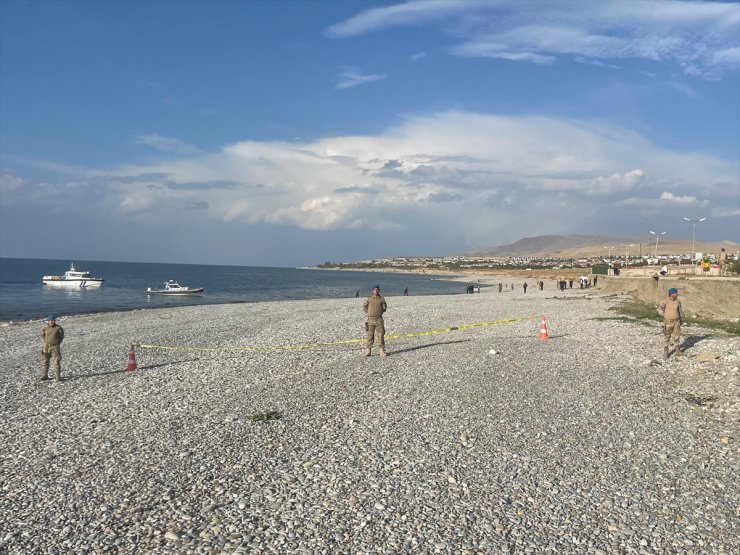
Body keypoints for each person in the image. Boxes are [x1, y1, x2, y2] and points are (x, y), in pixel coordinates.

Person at [658, 288, 683, 360]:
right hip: (668, 322)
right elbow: (660, 312)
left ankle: (677, 351)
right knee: (667, 337)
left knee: (677, 336)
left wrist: (681, 319)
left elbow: (680, 311)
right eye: (675, 293)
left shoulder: (678, 301)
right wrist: (663, 310)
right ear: (671, 294)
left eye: (676, 293)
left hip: (677, 321)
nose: (676, 294)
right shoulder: (665, 302)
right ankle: (666, 352)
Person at [363, 285, 387, 357]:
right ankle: (368, 350)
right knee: (370, 335)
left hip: (379, 319)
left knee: (381, 335)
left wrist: (379, 312)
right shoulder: (369, 299)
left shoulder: (381, 299)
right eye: (374, 289)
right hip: (370, 319)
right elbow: (364, 307)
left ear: (379, 291)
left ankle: (381, 350)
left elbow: (384, 308)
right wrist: (369, 312)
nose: (376, 291)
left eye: (377, 290)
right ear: (372, 290)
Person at [41, 314, 64, 381]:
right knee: (45, 361)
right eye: (50, 320)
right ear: (48, 321)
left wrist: (57, 343)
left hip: (55, 347)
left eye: (53, 320)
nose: (52, 322)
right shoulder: (44, 328)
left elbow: (62, 336)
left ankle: (57, 377)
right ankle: (45, 375)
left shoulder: (58, 328)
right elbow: (43, 335)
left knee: (56, 362)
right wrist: (46, 342)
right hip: (46, 347)